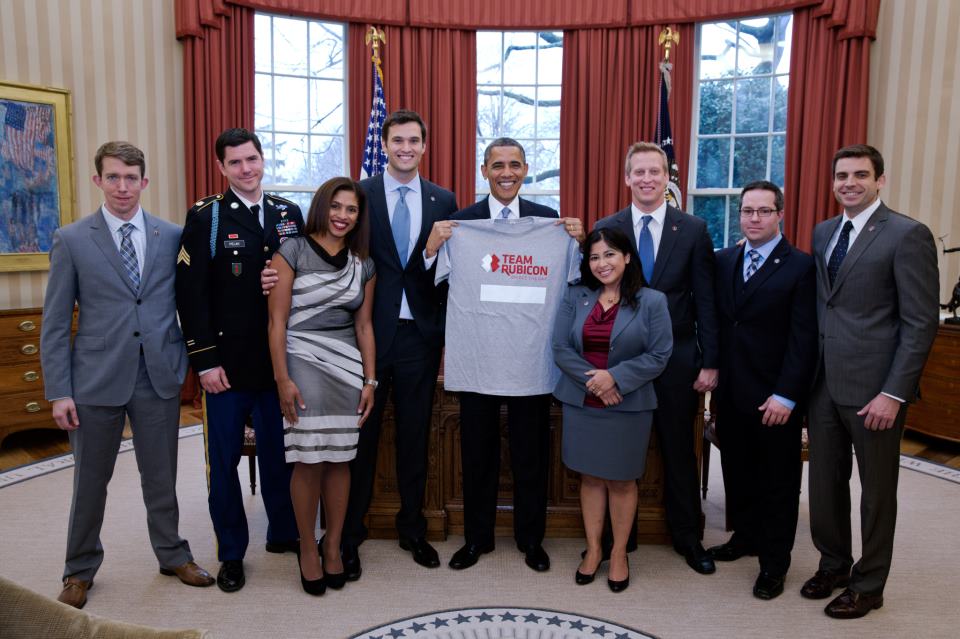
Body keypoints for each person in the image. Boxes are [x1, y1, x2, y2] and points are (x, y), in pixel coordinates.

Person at [41, 142, 214, 609]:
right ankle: (79, 570)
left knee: (161, 478)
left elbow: (194, 299)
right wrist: (59, 391)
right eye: (113, 177)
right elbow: (55, 323)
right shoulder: (72, 239)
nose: (123, 186)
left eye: (131, 177)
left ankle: (172, 554)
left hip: (157, 375)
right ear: (98, 180)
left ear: (144, 182)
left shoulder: (172, 235)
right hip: (94, 379)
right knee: (90, 482)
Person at [803, 144, 939, 618]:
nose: (849, 183)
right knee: (823, 486)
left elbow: (920, 323)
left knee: (876, 493)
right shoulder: (823, 232)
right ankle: (834, 564)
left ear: (880, 180)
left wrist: (894, 393)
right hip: (822, 385)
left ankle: (870, 583)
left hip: (876, 391)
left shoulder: (907, 235)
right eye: (841, 175)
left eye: (860, 174)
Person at [437, 137, 584, 572]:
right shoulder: (460, 224)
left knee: (530, 459)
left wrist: (580, 239)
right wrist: (433, 243)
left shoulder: (550, 224)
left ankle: (531, 540)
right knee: (477, 457)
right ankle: (476, 540)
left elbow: (580, 278)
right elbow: (430, 278)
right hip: (478, 361)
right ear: (484, 170)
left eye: (515, 164)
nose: (506, 172)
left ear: (525, 170)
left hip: (530, 363)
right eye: (497, 165)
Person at [175, 128, 302, 593]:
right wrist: (204, 362)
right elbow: (190, 296)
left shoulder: (289, 214)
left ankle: (283, 533)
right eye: (236, 163)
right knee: (223, 464)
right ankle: (231, 553)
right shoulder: (207, 218)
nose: (247, 169)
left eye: (252, 159)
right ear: (222, 168)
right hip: (224, 369)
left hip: (276, 366)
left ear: (263, 159)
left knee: (281, 456)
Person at [595, 142, 719, 574]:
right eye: (639, 172)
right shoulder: (607, 228)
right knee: (616, 452)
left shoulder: (694, 229)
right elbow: (597, 295)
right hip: (619, 364)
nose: (647, 178)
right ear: (626, 177)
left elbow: (706, 300)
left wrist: (710, 361)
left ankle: (687, 538)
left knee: (678, 451)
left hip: (677, 361)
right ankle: (615, 542)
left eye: (656, 171)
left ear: (668, 177)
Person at [345, 110, 457, 577]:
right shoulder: (361, 194)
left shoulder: (443, 198)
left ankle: (413, 529)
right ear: (384, 145)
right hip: (367, 334)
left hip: (420, 338)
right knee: (361, 438)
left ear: (424, 146)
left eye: (414, 140)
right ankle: (348, 534)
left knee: (415, 438)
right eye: (397, 140)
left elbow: (447, 269)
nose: (406, 147)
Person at [266, 177, 377, 595]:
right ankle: (307, 549)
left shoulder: (363, 263)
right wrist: (282, 378)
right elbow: (276, 322)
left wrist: (370, 379)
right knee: (309, 459)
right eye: (336, 206)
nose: (342, 216)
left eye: (351, 209)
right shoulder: (291, 250)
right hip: (301, 360)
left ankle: (333, 545)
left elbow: (364, 326)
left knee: (340, 459)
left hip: (347, 368)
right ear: (321, 206)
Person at [707, 181, 817, 600]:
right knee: (737, 472)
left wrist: (788, 394)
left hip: (776, 397)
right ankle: (745, 538)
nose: (754, 218)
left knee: (778, 482)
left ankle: (774, 564)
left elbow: (804, 337)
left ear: (780, 215)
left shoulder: (800, 266)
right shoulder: (725, 260)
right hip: (732, 391)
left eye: (763, 211)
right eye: (747, 211)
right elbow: (719, 322)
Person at [552, 227, 672, 592]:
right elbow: (560, 348)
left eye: (609, 255)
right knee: (589, 478)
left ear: (627, 257)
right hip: (582, 402)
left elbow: (660, 354)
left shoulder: (652, 301)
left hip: (628, 404)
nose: (602, 263)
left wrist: (615, 378)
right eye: (594, 257)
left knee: (621, 481)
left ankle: (618, 553)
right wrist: (596, 383)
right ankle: (592, 550)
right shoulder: (576, 296)